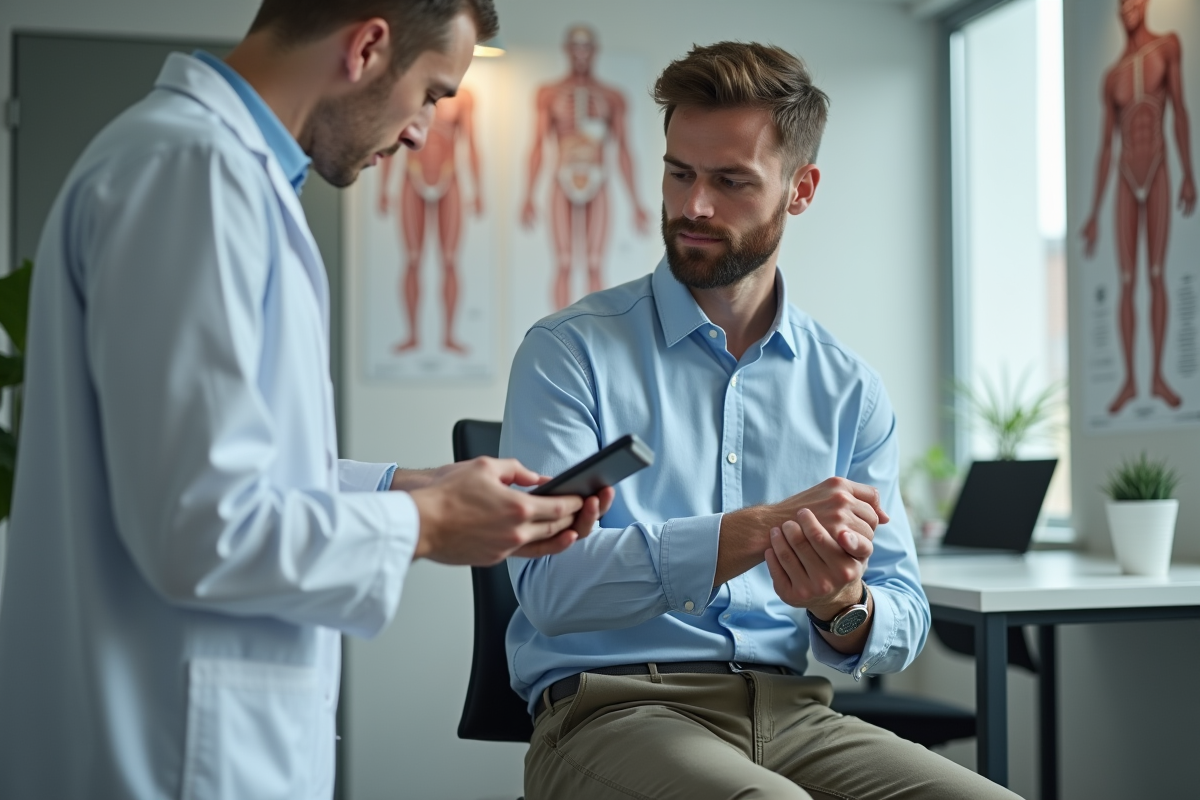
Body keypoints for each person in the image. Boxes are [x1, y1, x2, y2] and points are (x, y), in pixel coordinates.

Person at [0, 2, 611, 798]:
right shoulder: (194, 175)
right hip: (164, 753)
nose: (422, 131)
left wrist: (408, 486)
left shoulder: (217, 173)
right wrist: (429, 523)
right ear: (367, 46)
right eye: (431, 93)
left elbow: (207, 463)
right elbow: (202, 526)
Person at [501, 42, 1019, 800]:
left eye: (730, 181)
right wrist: (751, 531)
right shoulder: (568, 352)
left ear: (800, 189)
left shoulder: (849, 389)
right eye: (680, 173)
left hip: (793, 713)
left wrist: (840, 608)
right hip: (613, 710)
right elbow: (548, 588)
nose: (694, 206)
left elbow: (901, 611)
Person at [1082, 0, 1196, 414]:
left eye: (1132, 2)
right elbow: (1104, 148)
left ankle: (1158, 377)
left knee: (1156, 274)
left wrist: (1188, 175)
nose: (1125, 10)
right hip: (1125, 177)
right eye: (1120, 5)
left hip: (1159, 167)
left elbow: (1180, 112)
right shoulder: (1112, 77)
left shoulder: (1167, 47)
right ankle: (1131, 380)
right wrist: (1094, 213)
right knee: (1127, 280)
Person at [520, 25, 650, 310]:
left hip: (598, 180)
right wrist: (528, 195)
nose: (581, 54)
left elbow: (624, 149)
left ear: (595, 50)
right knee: (564, 261)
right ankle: (557, 328)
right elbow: (538, 145)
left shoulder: (613, 97)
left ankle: (594, 327)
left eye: (586, 47)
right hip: (561, 180)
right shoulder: (549, 93)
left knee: (594, 262)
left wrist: (636, 202)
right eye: (575, 47)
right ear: (567, 49)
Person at [378, 87, 482, 354]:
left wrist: (478, 190)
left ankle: (449, 336)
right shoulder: (407, 89)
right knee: (412, 259)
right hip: (412, 176)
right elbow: (391, 140)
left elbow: (470, 143)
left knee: (450, 260)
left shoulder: (463, 98)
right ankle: (413, 335)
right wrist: (383, 189)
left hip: (450, 176)